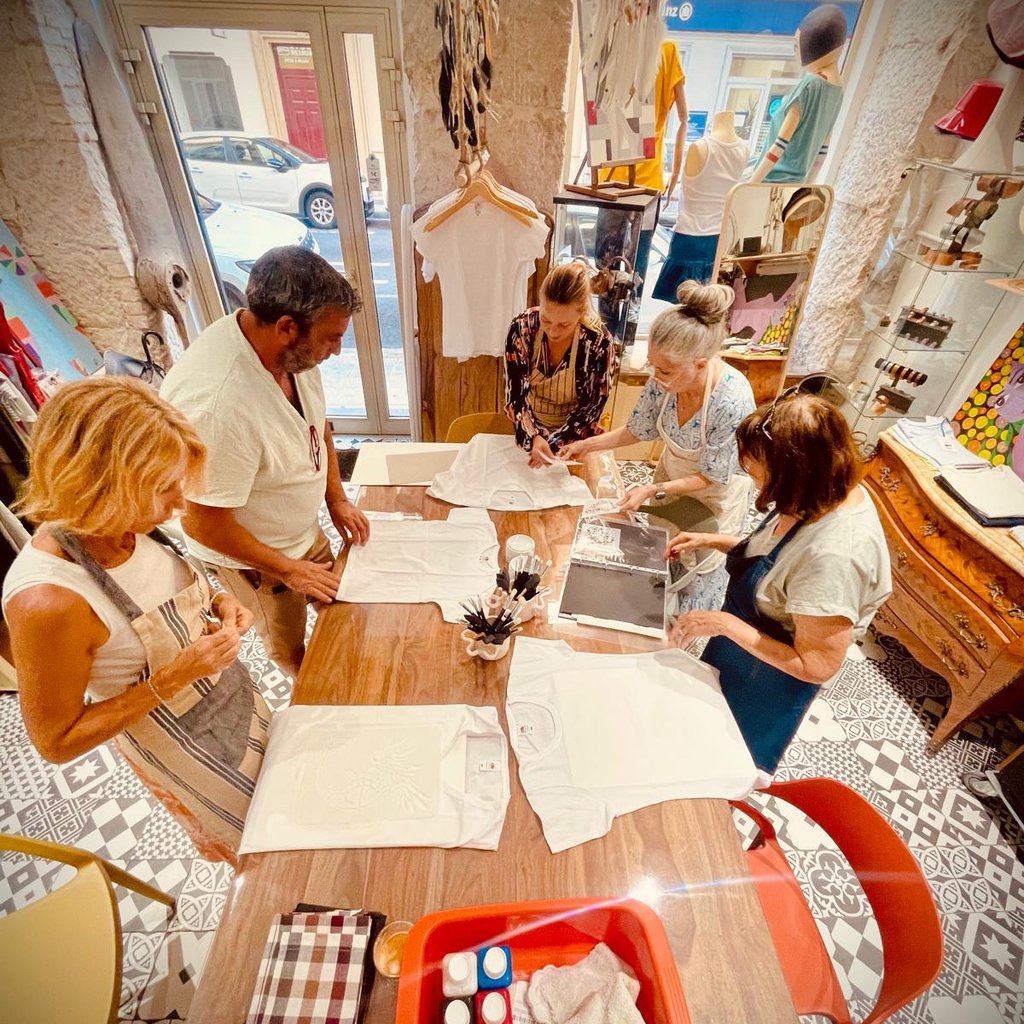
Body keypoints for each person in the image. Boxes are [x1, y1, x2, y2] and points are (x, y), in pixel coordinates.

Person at [3, 378, 268, 864]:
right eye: (164, 489)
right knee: (269, 855)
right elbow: (56, 742)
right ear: (101, 486)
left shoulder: (131, 527)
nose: (180, 505)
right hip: (190, 751)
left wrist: (218, 603)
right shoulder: (49, 601)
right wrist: (173, 678)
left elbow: (163, 589)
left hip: (238, 702)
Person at [161, 246, 370, 680]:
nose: (336, 350)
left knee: (347, 600)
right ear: (287, 328)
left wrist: (336, 499)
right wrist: (289, 570)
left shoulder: (291, 351)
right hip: (258, 560)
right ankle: (310, 690)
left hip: (299, 529)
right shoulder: (216, 406)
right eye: (331, 338)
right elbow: (201, 523)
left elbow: (319, 427)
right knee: (290, 644)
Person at [667, 391, 892, 775]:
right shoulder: (826, 489)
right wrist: (712, 540)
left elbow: (817, 664)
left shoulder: (836, 558)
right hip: (740, 650)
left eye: (757, 476)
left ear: (796, 473)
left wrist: (722, 623)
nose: (755, 487)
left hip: (769, 680)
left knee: (720, 766)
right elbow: (782, 562)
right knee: (694, 739)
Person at [560, 281, 754, 537]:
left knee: (697, 564)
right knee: (661, 547)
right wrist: (584, 445)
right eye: (652, 365)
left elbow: (711, 477)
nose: (655, 377)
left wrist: (652, 489)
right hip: (671, 478)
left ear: (700, 365)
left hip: (714, 494)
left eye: (664, 371)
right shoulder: (662, 379)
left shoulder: (731, 401)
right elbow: (637, 430)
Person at [504, 262, 618, 468]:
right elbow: (516, 396)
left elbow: (591, 408)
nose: (553, 332)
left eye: (564, 325)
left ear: (582, 313)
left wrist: (556, 444)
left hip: (575, 440)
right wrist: (535, 438)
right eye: (546, 320)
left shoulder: (598, 342)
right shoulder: (522, 327)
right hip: (529, 428)